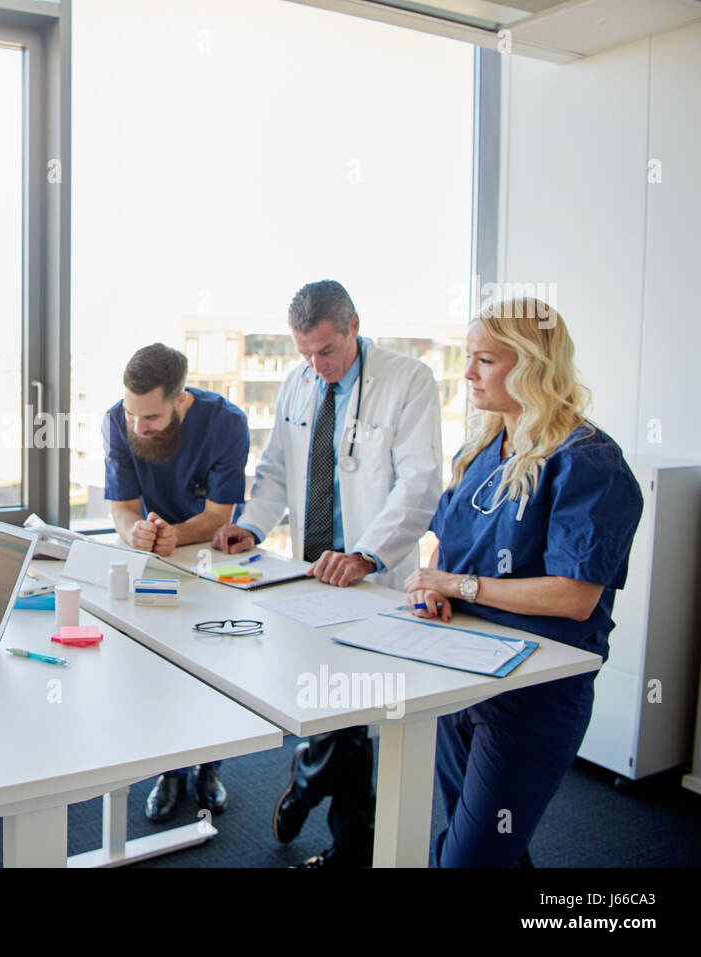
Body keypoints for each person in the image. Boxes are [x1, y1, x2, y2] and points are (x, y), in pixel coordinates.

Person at [211, 279, 443, 867]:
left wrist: (366, 553)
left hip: (373, 577)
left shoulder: (408, 380)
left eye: (326, 351)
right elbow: (275, 471)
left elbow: (419, 485)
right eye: (305, 353)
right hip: (309, 573)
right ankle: (317, 783)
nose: (317, 365)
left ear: (354, 326)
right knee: (333, 702)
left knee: (359, 707)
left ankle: (344, 839)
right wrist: (253, 527)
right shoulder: (298, 383)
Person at [405, 298, 641, 867]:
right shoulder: (483, 450)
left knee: (470, 858)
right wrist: (429, 587)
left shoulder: (588, 460)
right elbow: (446, 548)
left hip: (533, 693)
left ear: (533, 363)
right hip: (460, 674)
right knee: (490, 846)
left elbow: (574, 596)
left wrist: (460, 586)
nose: (467, 374)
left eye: (484, 360)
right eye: (468, 358)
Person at [102, 342, 250, 822]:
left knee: (212, 667)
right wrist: (138, 534)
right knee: (156, 671)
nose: (138, 427)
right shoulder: (116, 422)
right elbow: (122, 511)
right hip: (151, 558)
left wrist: (177, 536)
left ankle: (209, 767)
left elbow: (219, 515)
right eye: (132, 414)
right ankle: (169, 770)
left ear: (181, 401)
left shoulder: (227, 423)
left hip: (209, 559)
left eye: (150, 418)